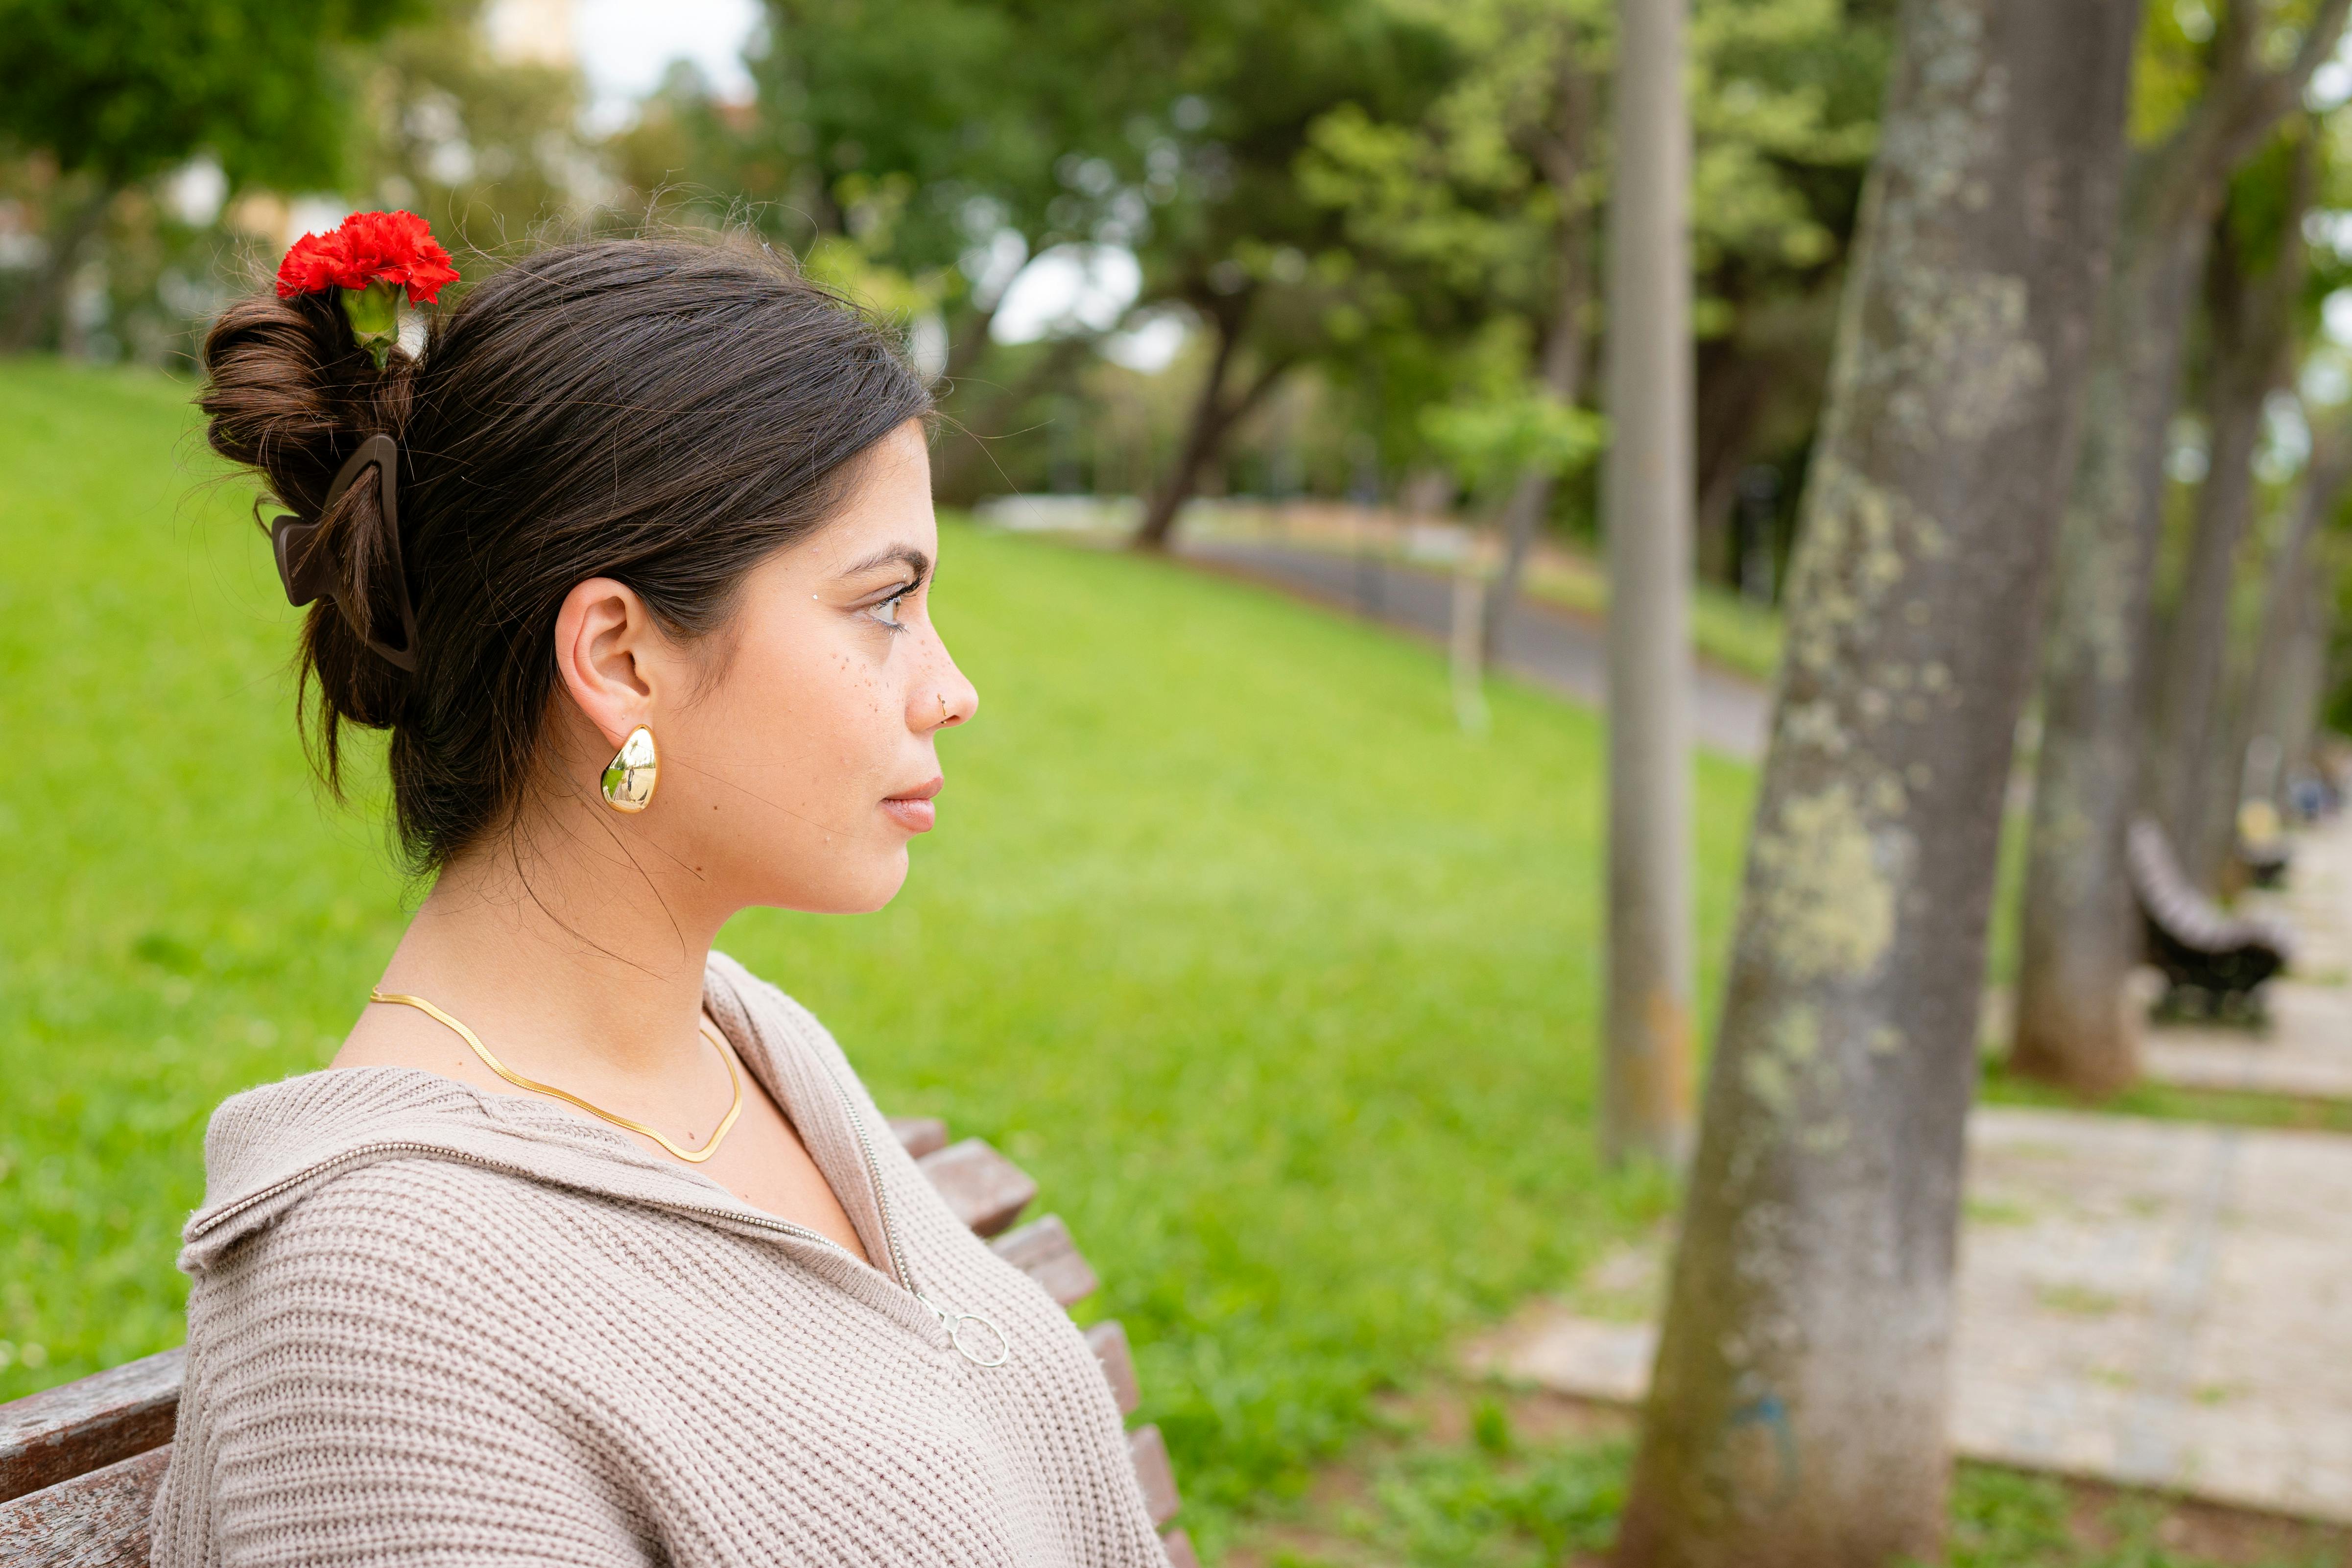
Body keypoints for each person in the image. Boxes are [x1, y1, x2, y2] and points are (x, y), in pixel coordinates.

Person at [149, 214, 1166, 1567]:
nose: (950, 686)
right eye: (882, 603)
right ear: (621, 657)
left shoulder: (747, 1044)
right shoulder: (382, 1302)